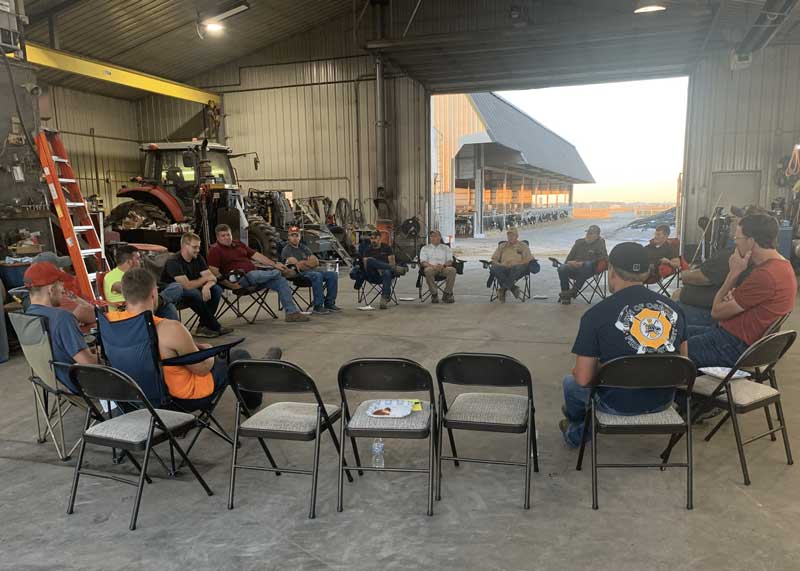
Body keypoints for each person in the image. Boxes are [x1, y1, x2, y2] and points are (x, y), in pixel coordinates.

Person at [559, 242, 688, 448]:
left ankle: (577, 431)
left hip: (616, 404)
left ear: (611, 271)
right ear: (647, 273)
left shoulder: (595, 315)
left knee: (570, 382)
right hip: (663, 400)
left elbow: (583, 378)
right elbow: (683, 365)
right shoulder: (674, 309)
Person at [108, 268, 279, 410]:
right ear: (154, 293)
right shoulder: (169, 328)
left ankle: (261, 366)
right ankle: (255, 393)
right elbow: (202, 369)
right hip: (174, 402)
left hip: (135, 401)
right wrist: (209, 353)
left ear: (124, 294)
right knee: (237, 356)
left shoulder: (109, 323)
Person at [687, 213, 797, 368]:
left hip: (733, 346)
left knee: (670, 349)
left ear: (751, 241)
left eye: (737, 239)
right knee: (676, 332)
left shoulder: (765, 275)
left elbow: (717, 312)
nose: (735, 244)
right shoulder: (782, 266)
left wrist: (733, 272)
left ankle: (680, 391)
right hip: (737, 338)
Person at [207, 224, 310, 323]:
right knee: (253, 274)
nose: (227, 237)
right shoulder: (215, 249)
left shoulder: (238, 244)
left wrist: (274, 264)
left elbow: (256, 255)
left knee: (280, 281)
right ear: (217, 237)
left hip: (256, 277)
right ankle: (281, 272)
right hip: (239, 281)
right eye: (223, 235)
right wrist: (230, 285)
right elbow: (214, 272)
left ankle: (291, 313)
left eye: (228, 234)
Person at [23, 262, 98, 392]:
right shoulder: (62, 318)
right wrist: (103, 356)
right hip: (77, 383)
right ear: (51, 290)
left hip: (51, 381)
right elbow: (90, 364)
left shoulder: (27, 317)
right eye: (60, 284)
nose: (63, 289)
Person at [160, 232, 233, 338]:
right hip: (174, 293)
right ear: (185, 246)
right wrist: (204, 280)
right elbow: (187, 285)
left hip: (193, 290)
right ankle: (214, 326)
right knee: (194, 293)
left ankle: (203, 327)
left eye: (198, 247)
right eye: (195, 247)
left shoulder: (197, 258)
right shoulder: (173, 261)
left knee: (216, 289)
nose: (198, 250)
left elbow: (212, 278)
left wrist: (207, 287)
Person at [104, 245, 181, 320]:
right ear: (129, 262)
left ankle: (160, 300)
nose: (141, 261)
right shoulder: (111, 276)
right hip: (130, 312)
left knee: (176, 287)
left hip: (146, 306)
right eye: (138, 258)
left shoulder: (135, 274)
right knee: (169, 304)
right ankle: (160, 301)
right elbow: (131, 290)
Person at [280, 226, 340, 314]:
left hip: (311, 272)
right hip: (298, 275)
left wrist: (304, 263)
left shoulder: (303, 247)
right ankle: (318, 306)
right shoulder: (286, 250)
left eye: (296, 235)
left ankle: (329, 303)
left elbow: (315, 262)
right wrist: (308, 263)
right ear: (288, 237)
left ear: (300, 237)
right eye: (292, 235)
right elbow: (297, 266)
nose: (295, 238)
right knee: (317, 275)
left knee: (332, 275)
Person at [30, 251, 96, 327]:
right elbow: (93, 315)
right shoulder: (59, 298)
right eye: (60, 268)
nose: (63, 271)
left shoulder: (34, 298)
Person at [356, 230, 407, 310]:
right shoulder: (367, 250)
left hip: (385, 275)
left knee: (387, 272)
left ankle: (384, 298)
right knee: (370, 260)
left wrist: (384, 268)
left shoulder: (387, 248)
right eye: (371, 238)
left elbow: (392, 263)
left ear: (379, 238)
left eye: (375, 238)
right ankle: (396, 269)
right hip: (373, 275)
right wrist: (378, 267)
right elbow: (366, 266)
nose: (373, 240)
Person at [557, 224, 608, 304]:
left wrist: (582, 263)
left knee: (587, 265)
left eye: (591, 234)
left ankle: (574, 291)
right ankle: (565, 295)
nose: (588, 235)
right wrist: (570, 262)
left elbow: (604, 258)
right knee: (562, 268)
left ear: (597, 235)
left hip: (590, 269)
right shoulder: (579, 242)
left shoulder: (600, 243)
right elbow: (568, 259)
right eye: (588, 233)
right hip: (575, 268)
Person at [489, 227, 536, 303]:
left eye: (512, 235)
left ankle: (503, 289)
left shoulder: (523, 246)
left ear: (517, 236)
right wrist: (501, 264)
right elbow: (493, 259)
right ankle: (513, 288)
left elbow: (529, 259)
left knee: (517, 268)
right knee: (493, 268)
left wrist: (516, 263)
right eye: (509, 235)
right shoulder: (502, 246)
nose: (510, 237)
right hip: (504, 267)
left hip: (518, 268)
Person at [419, 230, 456, 304]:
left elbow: (450, 261)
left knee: (452, 270)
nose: (434, 238)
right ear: (430, 238)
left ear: (440, 237)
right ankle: (434, 294)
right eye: (432, 236)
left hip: (444, 268)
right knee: (427, 271)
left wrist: (443, 266)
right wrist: (433, 266)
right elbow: (423, 262)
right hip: (431, 268)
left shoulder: (446, 248)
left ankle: (447, 293)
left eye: (436, 236)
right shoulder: (425, 248)